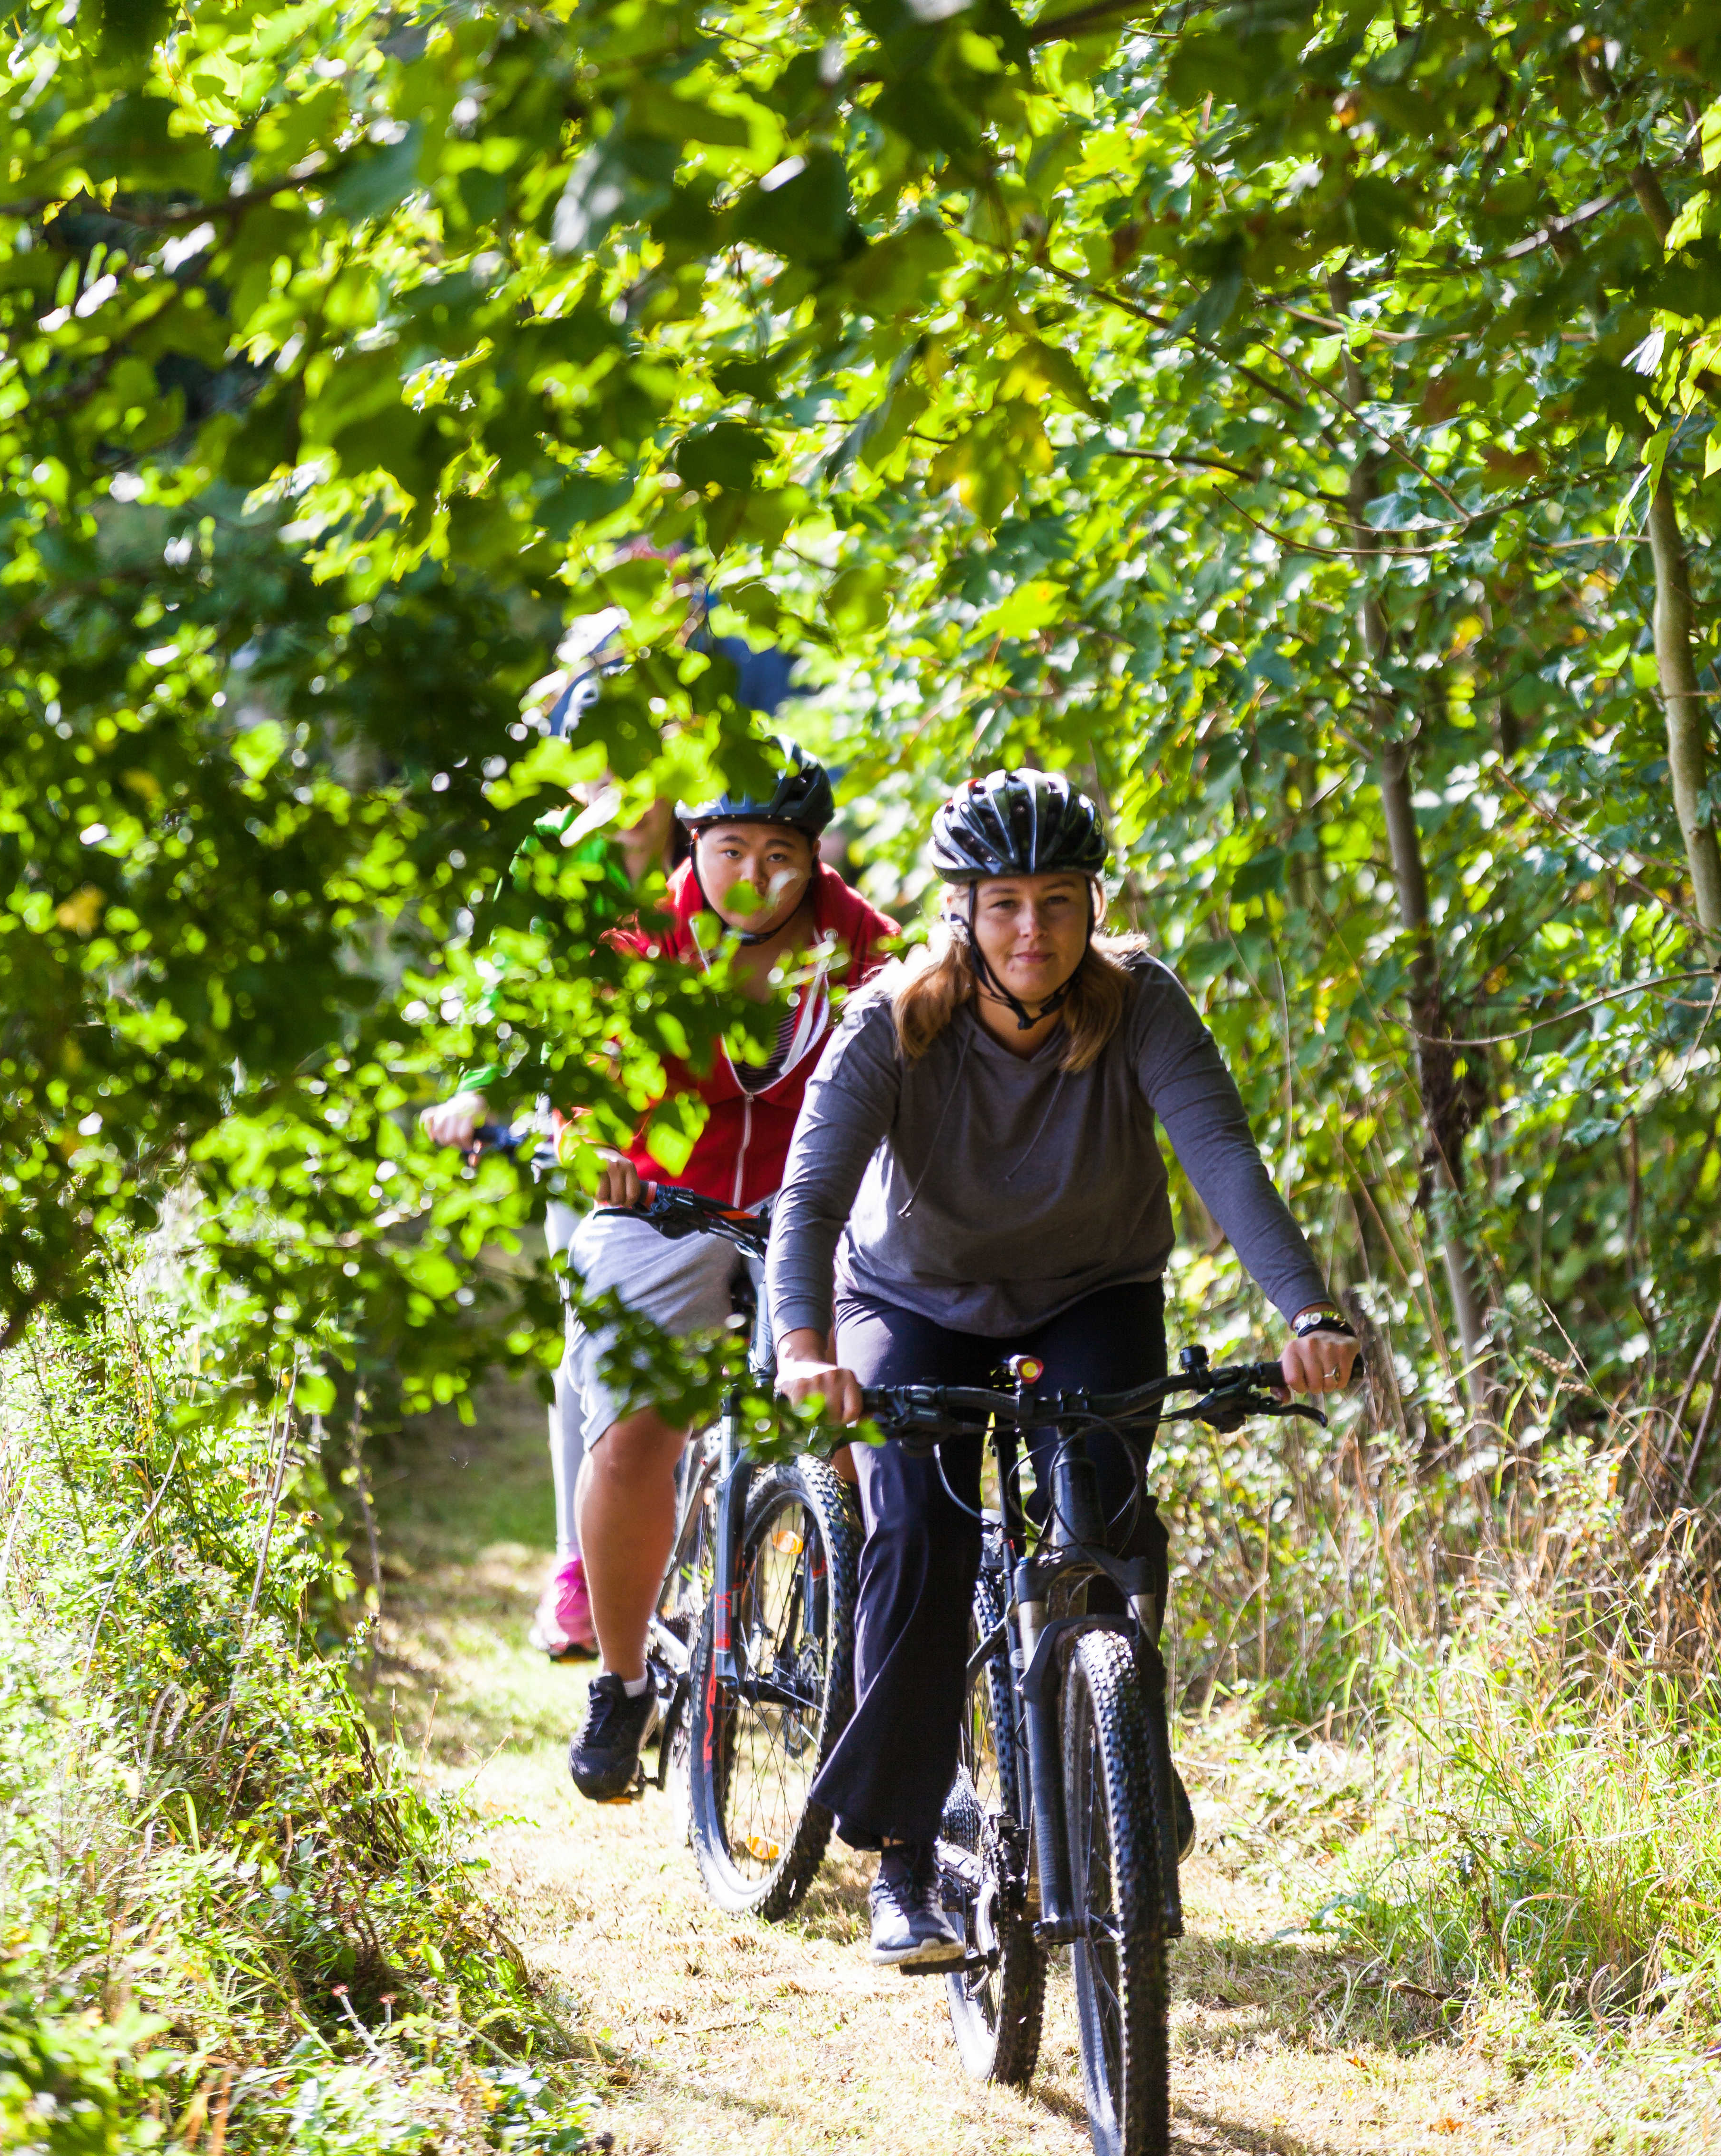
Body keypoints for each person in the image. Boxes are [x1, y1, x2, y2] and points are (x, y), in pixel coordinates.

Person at [766, 766, 1362, 1968]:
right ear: (962, 915)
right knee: (922, 1536)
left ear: (1094, 905)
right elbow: (810, 1201)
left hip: (1093, 1293)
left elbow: (1224, 1161)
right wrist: (801, 1351)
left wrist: (1307, 1310)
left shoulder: (1139, 1005)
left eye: (1056, 900)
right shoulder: (892, 1021)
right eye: (1002, 905)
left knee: (1105, 1520)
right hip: (915, 1297)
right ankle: (904, 1859)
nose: (1030, 929)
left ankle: (1120, 1745)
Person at [562, 744, 899, 1803]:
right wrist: (597, 1152)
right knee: (637, 1436)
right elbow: (580, 1084)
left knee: (852, 1431)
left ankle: (851, 1672)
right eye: (731, 849)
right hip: (663, 1204)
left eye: (782, 854)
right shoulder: (642, 944)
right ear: (693, 844)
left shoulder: (862, 946)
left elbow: (924, 1057)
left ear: (816, 858)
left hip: (820, 1213)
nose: (755, 874)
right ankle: (622, 1682)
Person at [420, 633, 687, 1662]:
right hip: (585, 1128)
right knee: (590, 1347)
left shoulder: (718, 853)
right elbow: (509, 998)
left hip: (709, 1128)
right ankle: (582, 1560)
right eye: (603, 756)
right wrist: (478, 1093)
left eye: (646, 755)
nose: (624, 782)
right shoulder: (550, 857)